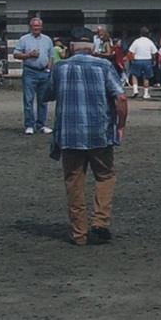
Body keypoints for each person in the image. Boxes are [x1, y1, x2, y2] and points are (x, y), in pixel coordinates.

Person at [46, 40, 129, 246]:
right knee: (105, 175)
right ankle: (100, 220)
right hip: (99, 132)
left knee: (74, 182)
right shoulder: (104, 66)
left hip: (69, 134)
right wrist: (121, 124)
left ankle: (79, 234)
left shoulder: (59, 68)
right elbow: (121, 97)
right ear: (92, 48)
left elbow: (46, 94)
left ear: (71, 47)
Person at [13, 17, 56, 135]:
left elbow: (51, 55)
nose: (36, 28)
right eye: (34, 26)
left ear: (41, 27)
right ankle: (29, 125)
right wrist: (29, 54)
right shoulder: (24, 39)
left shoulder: (47, 40)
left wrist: (48, 68)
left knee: (43, 100)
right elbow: (16, 55)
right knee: (28, 99)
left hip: (44, 72)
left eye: (38, 26)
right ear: (30, 27)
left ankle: (42, 124)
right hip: (30, 72)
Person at [126, 27, 158, 100]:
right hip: (147, 60)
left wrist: (131, 59)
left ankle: (135, 90)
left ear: (140, 33)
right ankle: (146, 93)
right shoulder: (150, 42)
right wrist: (154, 60)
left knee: (134, 75)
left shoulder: (136, 41)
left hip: (137, 60)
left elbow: (131, 51)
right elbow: (154, 53)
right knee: (146, 77)